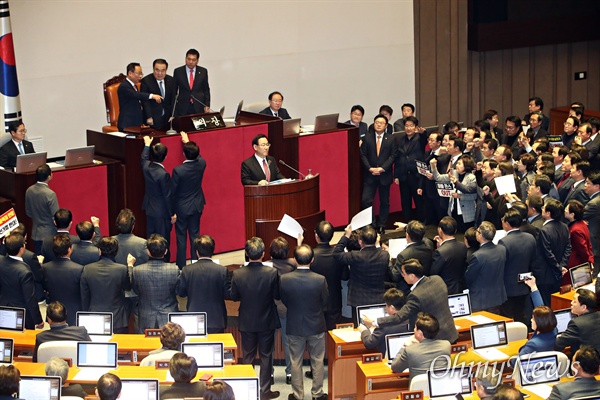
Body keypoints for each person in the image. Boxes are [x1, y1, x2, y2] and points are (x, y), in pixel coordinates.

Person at [229, 237, 280, 400]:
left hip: (247, 321)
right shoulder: (272, 273)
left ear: (246, 254)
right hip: (266, 321)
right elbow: (277, 295)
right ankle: (265, 391)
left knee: (248, 356)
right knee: (266, 357)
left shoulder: (237, 273)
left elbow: (234, 296)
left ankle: (247, 388)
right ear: (263, 254)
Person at [362, 259, 459, 344]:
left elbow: (399, 317)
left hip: (435, 338)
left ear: (412, 276)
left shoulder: (416, 295)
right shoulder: (438, 280)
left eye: (403, 274)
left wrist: (374, 322)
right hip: (451, 332)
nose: (402, 276)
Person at [280, 244, 329, 400]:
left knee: (295, 361)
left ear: (294, 260)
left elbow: (285, 300)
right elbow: (324, 301)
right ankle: (317, 393)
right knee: (318, 360)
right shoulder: (320, 279)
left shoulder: (285, 279)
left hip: (294, 325)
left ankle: (297, 395)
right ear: (312, 260)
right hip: (316, 325)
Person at [333, 225, 389, 318]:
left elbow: (336, 253)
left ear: (360, 241)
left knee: (360, 330)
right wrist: (378, 246)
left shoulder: (355, 256)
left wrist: (346, 235)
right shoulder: (385, 255)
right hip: (379, 299)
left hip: (358, 300)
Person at [177, 235, 229, 333]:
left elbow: (181, 293)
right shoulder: (222, 270)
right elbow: (227, 293)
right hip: (216, 320)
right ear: (213, 251)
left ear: (197, 252)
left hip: (194, 319)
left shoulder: (187, 270)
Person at [80, 237, 132, 333]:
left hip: (95, 317)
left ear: (99, 251)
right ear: (116, 252)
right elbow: (128, 287)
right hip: (118, 318)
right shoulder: (122, 269)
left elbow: (84, 296)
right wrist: (130, 267)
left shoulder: (87, 269)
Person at [171, 131, 206, 268]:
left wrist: (172, 211)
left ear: (184, 154)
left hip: (181, 208)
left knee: (181, 238)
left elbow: (173, 192)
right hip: (197, 205)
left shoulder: (178, 170)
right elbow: (200, 156)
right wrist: (187, 141)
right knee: (195, 236)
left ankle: (181, 267)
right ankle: (195, 265)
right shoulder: (202, 164)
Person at [132, 234, 180, 332]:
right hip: (168, 316)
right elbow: (178, 291)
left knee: (146, 346)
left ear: (148, 252)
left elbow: (136, 291)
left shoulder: (137, 270)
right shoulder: (174, 269)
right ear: (166, 251)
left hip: (146, 316)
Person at [112, 208, 148, 333]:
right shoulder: (143, 243)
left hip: (117, 290)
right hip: (137, 290)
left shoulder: (110, 242)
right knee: (138, 324)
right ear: (133, 225)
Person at [360, 113, 397, 233]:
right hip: (370, 174)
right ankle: (371, 224)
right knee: (366, 200)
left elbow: (393, 155)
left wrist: (382, 168)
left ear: (386, 125)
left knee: (384, 201)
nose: (379, 125)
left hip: (384, 175)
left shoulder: (391, 138)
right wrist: (370, 168)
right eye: (377, 122)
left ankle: (382, 225)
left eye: (381, 123)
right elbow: (363, 155)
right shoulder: (367, 137)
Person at [499, 209, 537, 325]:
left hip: (508, 286)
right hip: (525, 282)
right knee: (521, 313)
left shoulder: (504, 242)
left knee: (509, 317)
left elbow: (501, 265)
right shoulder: (530, 238)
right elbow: (533, 260)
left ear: (506, 224)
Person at [390, 312, 451, 382]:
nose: (414, 330)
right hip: (439, 389)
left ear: (419, 333)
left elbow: (395, 368)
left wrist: (404, 347)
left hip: (419, 391)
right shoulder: (446, 345)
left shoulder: (410, 350)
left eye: (415, 328)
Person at [0, 233, 43, 330]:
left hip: (2, 308)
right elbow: (30, 298)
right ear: (22, 248)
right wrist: (38, 320)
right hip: (21, 313)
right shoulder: (25, 271)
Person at [310, 221, 348, 330]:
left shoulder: (310, 255)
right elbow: (345, 276)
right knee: (334, 336)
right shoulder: (339, 255)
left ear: (316, 235)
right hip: (334, 300)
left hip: (315, 301)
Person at [509, 277, 556, 365]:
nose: (531, 320)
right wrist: (533, 287)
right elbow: (541, 309)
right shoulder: (553, 331)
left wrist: (511, 359)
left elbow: (516, 363)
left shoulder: (533, 345)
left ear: (539, 322)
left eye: (533, 319)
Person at [533, 198, 571, 306]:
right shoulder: (564, 226)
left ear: (548, 213)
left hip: (546, 274)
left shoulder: (544, 230)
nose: (542, 209)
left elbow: (547, 252)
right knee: (555, 302)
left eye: (544, 208)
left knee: (546, 304)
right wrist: (562, 266)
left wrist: (558, 267)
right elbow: (568, 248)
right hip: (558, 274)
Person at [464, 221, 507, 313]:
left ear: (480, 235)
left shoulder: (477, 256)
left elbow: (468, 278)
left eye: (478, 231)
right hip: (497, 297)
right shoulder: (502, 249)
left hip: (480, 300)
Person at [269, 236, 295, 383]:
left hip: (271, 308)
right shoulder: (293, 264)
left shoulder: (267, 266)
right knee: (288, 342)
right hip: (287, 309)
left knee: (269, 343)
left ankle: (270, 374)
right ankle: (290, 374)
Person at [42, 234, 84, 326]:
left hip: (53, 312)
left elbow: (44, 288)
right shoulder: (79, 269)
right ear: (69, 249)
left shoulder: (45, 268)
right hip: (74, 313)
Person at [141, 135, 175, 248]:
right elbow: (167, 196)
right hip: (161, 213)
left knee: (150, 242)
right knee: (162, 243)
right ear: (165, 157)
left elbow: (144, 158)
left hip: (149, 209)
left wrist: (146, 145)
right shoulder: (163, 174)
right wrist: (172, 214)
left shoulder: (146, 167)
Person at [394, 115, 428, 222]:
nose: (408, 128)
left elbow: (424, 138)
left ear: (416, 127)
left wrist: (423, 133)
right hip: (403, 176)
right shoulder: (400, 139)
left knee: (419, 201)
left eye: (411, 126)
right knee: (405, 202)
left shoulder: (420, 139)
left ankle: (422, 224)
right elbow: (398, 159)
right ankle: (407, 223)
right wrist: (396, 175)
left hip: (417, 176)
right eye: (406, 126)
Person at [432, 154, 478, 232]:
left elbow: (474, 196)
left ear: (466, 166)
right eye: (457, 163)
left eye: (459, 164)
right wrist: (433, 166)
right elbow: (438, 178)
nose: (457, 165)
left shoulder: (471, 177)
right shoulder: (454, 173)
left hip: (466, 213)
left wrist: (460, 196)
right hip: (453, 209)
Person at [358, 288, 409, 354]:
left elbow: (369, 344)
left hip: (385, 359)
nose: (385, 308)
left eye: (386, 305)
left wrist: (364, 330)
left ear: (392, 308)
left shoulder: (384, 325)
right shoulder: (411, 319)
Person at [117, 62, 162, 131]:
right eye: (138, 73)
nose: (140, 76)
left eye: (141, 74)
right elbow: (136, 95)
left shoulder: (134, 86)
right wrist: (152, 95)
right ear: (130, 73)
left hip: (136, 122)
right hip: (127, 123)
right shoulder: (124, 86)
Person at [389, 220, 434, 291]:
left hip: (408, 289)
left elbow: (395, 277)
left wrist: (389, 258)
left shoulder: (403, 255)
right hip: (425, 282)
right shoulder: (429, 244)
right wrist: (405, 227)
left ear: (407, 235)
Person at [25, 164, 59, 254]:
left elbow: (28, 212)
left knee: (39, 262)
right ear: (49, 176)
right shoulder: (50, 194)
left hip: (35, 233)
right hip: (49, 235)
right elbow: (56, 217)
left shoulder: (29, 190)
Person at [555, 288, 600, 355]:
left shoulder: (577, 324)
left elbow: (557, 345)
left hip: (585, 362)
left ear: (583, 307)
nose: (571, 302)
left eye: (575, 301)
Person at [430, 217, 467, 295]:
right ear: (455, 230)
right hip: (460, 286)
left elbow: (433, 273)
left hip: (445, 290)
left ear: (440, 230)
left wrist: (439, 248)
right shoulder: (463, 246)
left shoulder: (440, 252)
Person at [564, 199, 594, 285]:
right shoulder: (582, 224)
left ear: (572, 214)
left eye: (566, 209)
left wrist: (589, 262)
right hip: (581, 262)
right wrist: (590, 260)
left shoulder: (575, 230)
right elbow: (589, 245)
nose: (565, 210)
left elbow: (583, 249)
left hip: (576, 264)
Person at [173, 48, 210, 116]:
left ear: (197, 61)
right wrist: (174, 109)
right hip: (183, 107)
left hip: (198, 106)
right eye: (189, 59)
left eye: (193, 60)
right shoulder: (178, 71)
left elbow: (206, 89)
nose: (190, 62)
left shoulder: (203, 71)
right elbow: (174, 90)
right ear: (185, 59)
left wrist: (207, 105)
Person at [140, 58, 175, 130]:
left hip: (168, 119)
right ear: (153, 69)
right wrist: (149, 117)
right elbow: (145, 101)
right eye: (157, 70)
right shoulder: (146, 81)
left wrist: (173, 115)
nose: (160, 73)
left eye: (163, 70)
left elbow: (173, 99)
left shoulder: (171, 80)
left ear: (166, 70)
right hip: (153, 119)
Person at [583, 170, 600, 275]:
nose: (585, 185)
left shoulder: (593, 204)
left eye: (588, 183)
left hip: (593, 244)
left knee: (591, 275)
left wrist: (580, 222)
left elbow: (575, 217)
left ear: (597, 186)